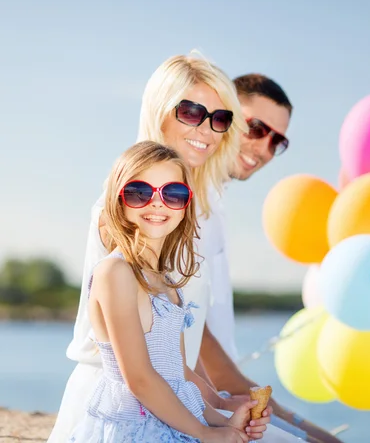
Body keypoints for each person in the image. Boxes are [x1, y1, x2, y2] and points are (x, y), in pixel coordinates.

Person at [49, 54, 304, 443]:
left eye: (221, 119)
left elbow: (175, 356)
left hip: (175, 399)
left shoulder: (192, 215)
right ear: (161, 110)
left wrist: (216, 408)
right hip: (121, 409)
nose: (207, 129)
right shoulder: (125, 209)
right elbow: (138, 374)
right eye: (191, 111)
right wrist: (206, 429)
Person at [68, 140, 269, 442]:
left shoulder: (166, 283)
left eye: (173, 193)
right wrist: (203, 432)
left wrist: (224, 420)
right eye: (140, 192)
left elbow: (179, 376)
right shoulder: (116, 273)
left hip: (172, 421)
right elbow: (139, 378)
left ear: (185, 205)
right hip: (134, 430)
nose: (158, 203)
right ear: (118, 200)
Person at [194, 74, 344, 443]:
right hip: (201, 404)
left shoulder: (213, 201)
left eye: (278, 140)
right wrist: (303, 426)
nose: (264, 148)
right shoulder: (184, 200)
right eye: (256, 128)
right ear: (222, 116)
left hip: (220, 399)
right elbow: (194, 335)